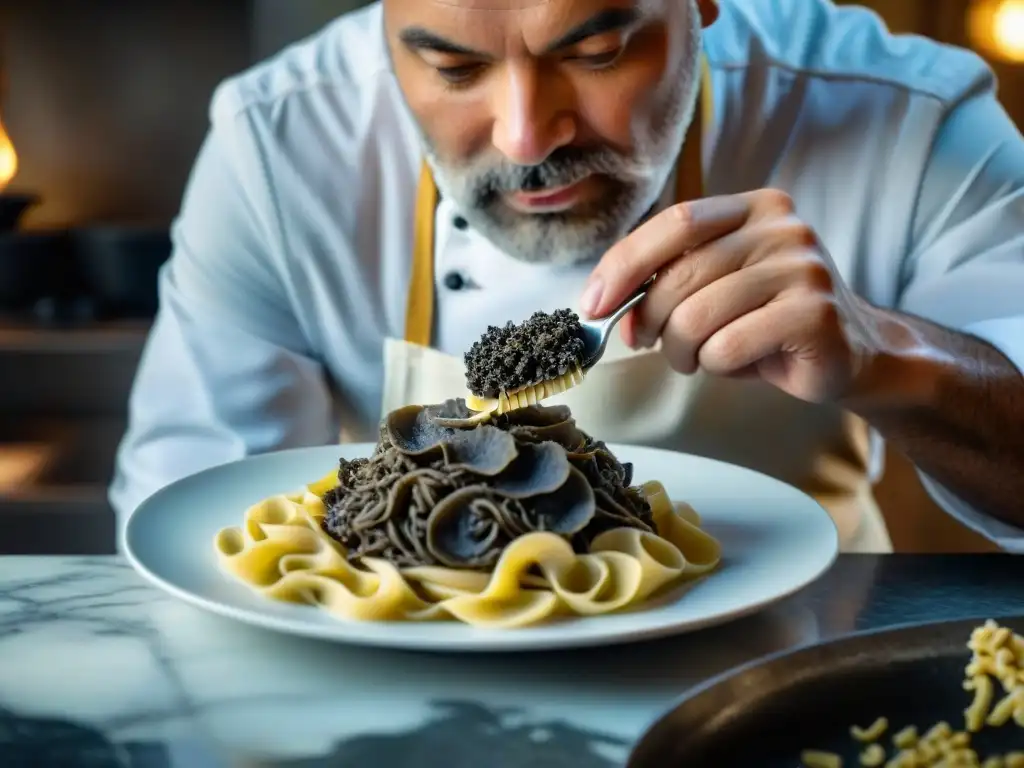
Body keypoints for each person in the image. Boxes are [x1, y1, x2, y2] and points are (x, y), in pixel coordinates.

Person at [110, 0, 1024, 554]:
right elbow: (192, 524)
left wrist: (889, 353)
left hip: (802, 683)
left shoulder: (907, 116)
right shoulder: (278, 143)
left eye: (596, 53)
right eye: (453, 66)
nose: (525, 135)